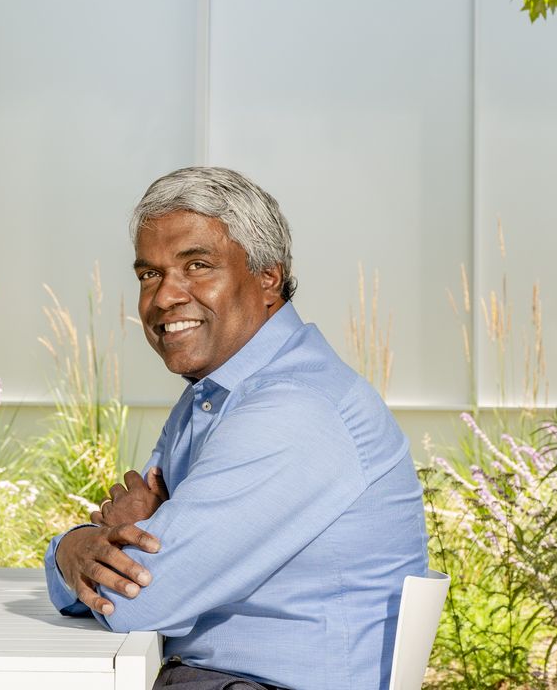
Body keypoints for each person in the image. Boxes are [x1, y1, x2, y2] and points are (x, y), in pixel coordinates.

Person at [43, 166, 430, 690]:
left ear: (268, 277)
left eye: (197, 266)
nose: (163, 298)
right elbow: (134, 567)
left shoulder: (296, 409)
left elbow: (140, 597)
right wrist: (78, 547)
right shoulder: (215, 393)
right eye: (148, 275)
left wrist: (96, 548)